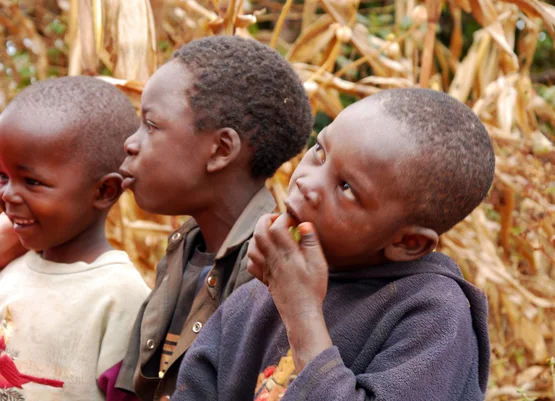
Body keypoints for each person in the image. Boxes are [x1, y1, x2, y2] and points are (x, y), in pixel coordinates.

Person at [172, 88, 495, 401]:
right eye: (319, 151)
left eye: (346, 187)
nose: (306, 182)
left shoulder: (433, 317)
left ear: (407, 242)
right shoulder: (259, 296)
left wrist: (300, 313)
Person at [111, 36, 313, 401]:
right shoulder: (184, 251)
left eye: (151, 126)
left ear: (221, 150)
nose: (131, 143)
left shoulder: (270, 272)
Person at [0, 76, 150, 401]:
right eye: (4, 177)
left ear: (103, 191)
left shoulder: (119, 297)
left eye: (32, 181)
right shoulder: (8, 269)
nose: (8, 194)